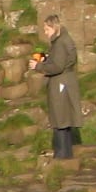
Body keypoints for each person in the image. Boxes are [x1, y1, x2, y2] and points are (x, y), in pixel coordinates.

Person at [29, 14, 81, 159]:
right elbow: (61, 61)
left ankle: (62, 155)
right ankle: (65, 153)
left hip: (61, 83)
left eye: (46, 29)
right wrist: (47, 58)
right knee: (64, 117)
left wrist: (38, 66)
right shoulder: (64, 40)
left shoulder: (60, 43)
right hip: (66, 82)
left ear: (53, 27)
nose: (45, 33)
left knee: (60, 119)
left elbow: (57, 66)